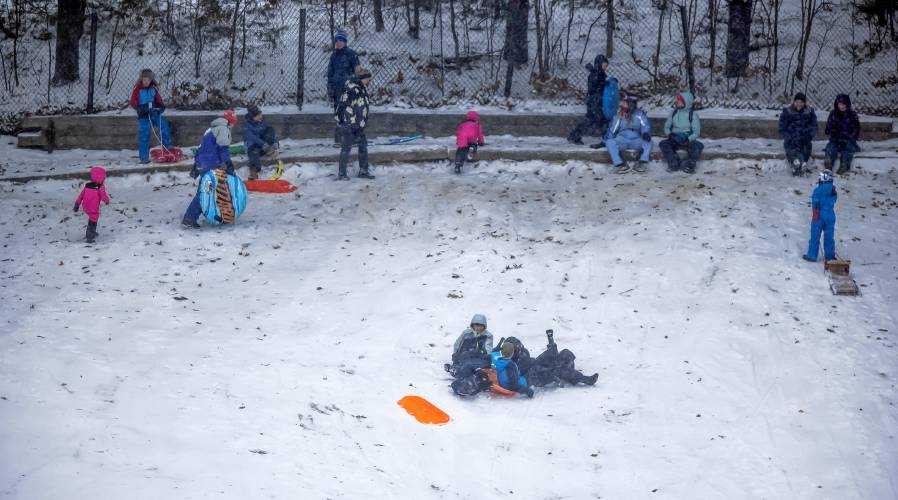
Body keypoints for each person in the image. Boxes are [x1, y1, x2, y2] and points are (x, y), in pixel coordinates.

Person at [182, 110, 238, 228]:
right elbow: (223, 149)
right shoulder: (223, 129)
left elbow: (201, 148)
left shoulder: (211, 129)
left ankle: (218, 214)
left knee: (211, 190)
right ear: (230, 122)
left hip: (204, 163)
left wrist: (197, 166)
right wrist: (228, 164)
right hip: (210, 164)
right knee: (205, 192)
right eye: (233, 123)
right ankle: (189, 218)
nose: (233, 126)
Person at [567, 55, 618, 146]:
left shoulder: (599, 73)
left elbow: (603, 86)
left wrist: (609, 82)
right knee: (595, 120)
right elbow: (594, 88)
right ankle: (606, 138)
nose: (605, 67)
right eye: (604, 65)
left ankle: (575, 135)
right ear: (599, 64)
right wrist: (604, 84)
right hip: (594, 102)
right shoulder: (594, 74)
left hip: (597, 102)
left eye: (606, 65)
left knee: (597, 120)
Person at [335, 65, 374, 180]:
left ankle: (363, 170)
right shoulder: (352, 90)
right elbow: (345, 108)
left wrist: (361, 123)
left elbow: (362, 107)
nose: (369, 81)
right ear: (363, 79)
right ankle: (342, 173)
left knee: (363, 146)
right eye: (368, 79)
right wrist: (350, 124)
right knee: (346, 148)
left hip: (358, 125)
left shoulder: (361, 88)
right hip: (350, 125)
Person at [525, 330, 598, 387]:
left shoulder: (537, 360)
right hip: (553, 372)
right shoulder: (533, 372)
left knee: (565, 353)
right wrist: (556, 379)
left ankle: (568, 368)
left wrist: (550, 340)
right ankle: (587, 380)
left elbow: (551, 352)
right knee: (564, 371)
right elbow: (542, 380)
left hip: (553, 364)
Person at [129, 69, 173, 164]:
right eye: (144, 80)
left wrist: (161, 107)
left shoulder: (153, 89)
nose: (146, 82)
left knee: (164, 125)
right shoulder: (137, 89)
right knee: (144, 134)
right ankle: (144, 157)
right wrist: (140, 108)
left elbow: (159, 100)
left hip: (154, 113)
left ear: (151, 80)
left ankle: (167, 146)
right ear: (141, 79)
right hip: (144, 115)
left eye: (148, 80)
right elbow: (133, 102)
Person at [327, 29, 360, 144]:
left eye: (341, 40)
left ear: (345, 42)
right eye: (337, 40)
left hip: (349, 89)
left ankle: (354, 138)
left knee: (351, 113)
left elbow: (358, 72)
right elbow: (330, 74)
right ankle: (339, 138)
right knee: (339, 114)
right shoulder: (333, 56)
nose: (338, 42)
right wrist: (330, 89)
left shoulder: (351, 54)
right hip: (337, 90)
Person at [605, 94, 652, 174]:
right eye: (629, 103)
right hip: (622, 139)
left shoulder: (639, 114)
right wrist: (606, 139)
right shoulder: (620, 114)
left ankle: (641, 163)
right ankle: (620, 164)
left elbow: (645, 125)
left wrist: (645, 133)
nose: (632, 105)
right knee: (610, 142)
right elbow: (613, 129)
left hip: (636, 139)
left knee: (649, 143)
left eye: (634, 103)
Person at [658, 91, 703, 174]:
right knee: (663, 144)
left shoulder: (692, 115)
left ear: (686, 103)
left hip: (687, 139)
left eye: (680, 100)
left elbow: (696, 132)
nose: (677, 102)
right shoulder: (673, 113)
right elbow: (667, 127)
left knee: (697, 146)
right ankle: (673, 162)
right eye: (678, 100)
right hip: (674, 138)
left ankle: (689, 164)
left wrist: (688, 139)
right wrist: (670, 135)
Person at [778, 92, 818, 176]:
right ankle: (797, 163)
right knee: (791, 149)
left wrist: (810, 134)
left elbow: (814, 125)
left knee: (805, 150)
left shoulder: (809, 112)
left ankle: (799, 164)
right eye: (797, 102)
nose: (799, 104)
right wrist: (788, 136)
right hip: (792, 137)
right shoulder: (788, 112)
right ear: (794, 102)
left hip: (805, 137)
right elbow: (782, 127)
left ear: (804, 103)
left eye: (801, 102)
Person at [803, 169, 837, 262]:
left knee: (815, 235)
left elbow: (815, 201)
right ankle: (830, 256)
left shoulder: (818, 190)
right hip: (830, 215)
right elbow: (833, 200)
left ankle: (812, 255)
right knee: (829, 236)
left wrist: (815, 212)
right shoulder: (833, 190)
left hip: (819, 215)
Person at [446, 313, 493, 378]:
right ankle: (455, 368)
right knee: (463, 359)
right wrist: (455, 354)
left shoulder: (487, 336)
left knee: (470, 366)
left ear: (484, 326)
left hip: (478, 358)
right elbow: (458, 344)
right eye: (476, 325)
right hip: (465, 354)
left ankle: (465, 372)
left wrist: (483, 353)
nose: (478, 328)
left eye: (481, 326)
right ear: (473, 325)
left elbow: (488, 349)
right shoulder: (466, 333)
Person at [824, 94, 860, 175]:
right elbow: (828, 129)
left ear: (848, 104)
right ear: (837, 104)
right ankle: (828, 164)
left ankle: (844, 165)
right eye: (840, 104)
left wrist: (848, 136)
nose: (842, 106)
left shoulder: (852, 115)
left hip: (848, 139)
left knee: (848, 150)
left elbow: (856, 130)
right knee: (830, 148)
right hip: (836, 139)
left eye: (844, 104)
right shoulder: (833, 114)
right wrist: (835, 133)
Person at [73, 166, 111, 243]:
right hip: (93, 208)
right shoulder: (100, 187)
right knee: (93, 220)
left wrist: (77, 204)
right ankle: (90, 236)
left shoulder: (87, 185)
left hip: (86, 206)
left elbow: (81, 195)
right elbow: (103, 196)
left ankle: (92, 232)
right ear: (100, 178)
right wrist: (107, 201)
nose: (104, 180)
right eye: (103, 178)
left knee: (92, 218)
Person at [242, 105, 279, 180]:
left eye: (260, 114)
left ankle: (270, 150)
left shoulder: (263, 122)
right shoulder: (246, 125)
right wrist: (263, 144)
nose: (260, 116)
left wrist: (275, 142)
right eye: (258, 115)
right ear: (252, 117)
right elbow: (252, 137)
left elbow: (272, 133)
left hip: (265, 147)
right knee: (254, 154)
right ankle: (253, 172)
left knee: (270, 129)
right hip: (253, 147)